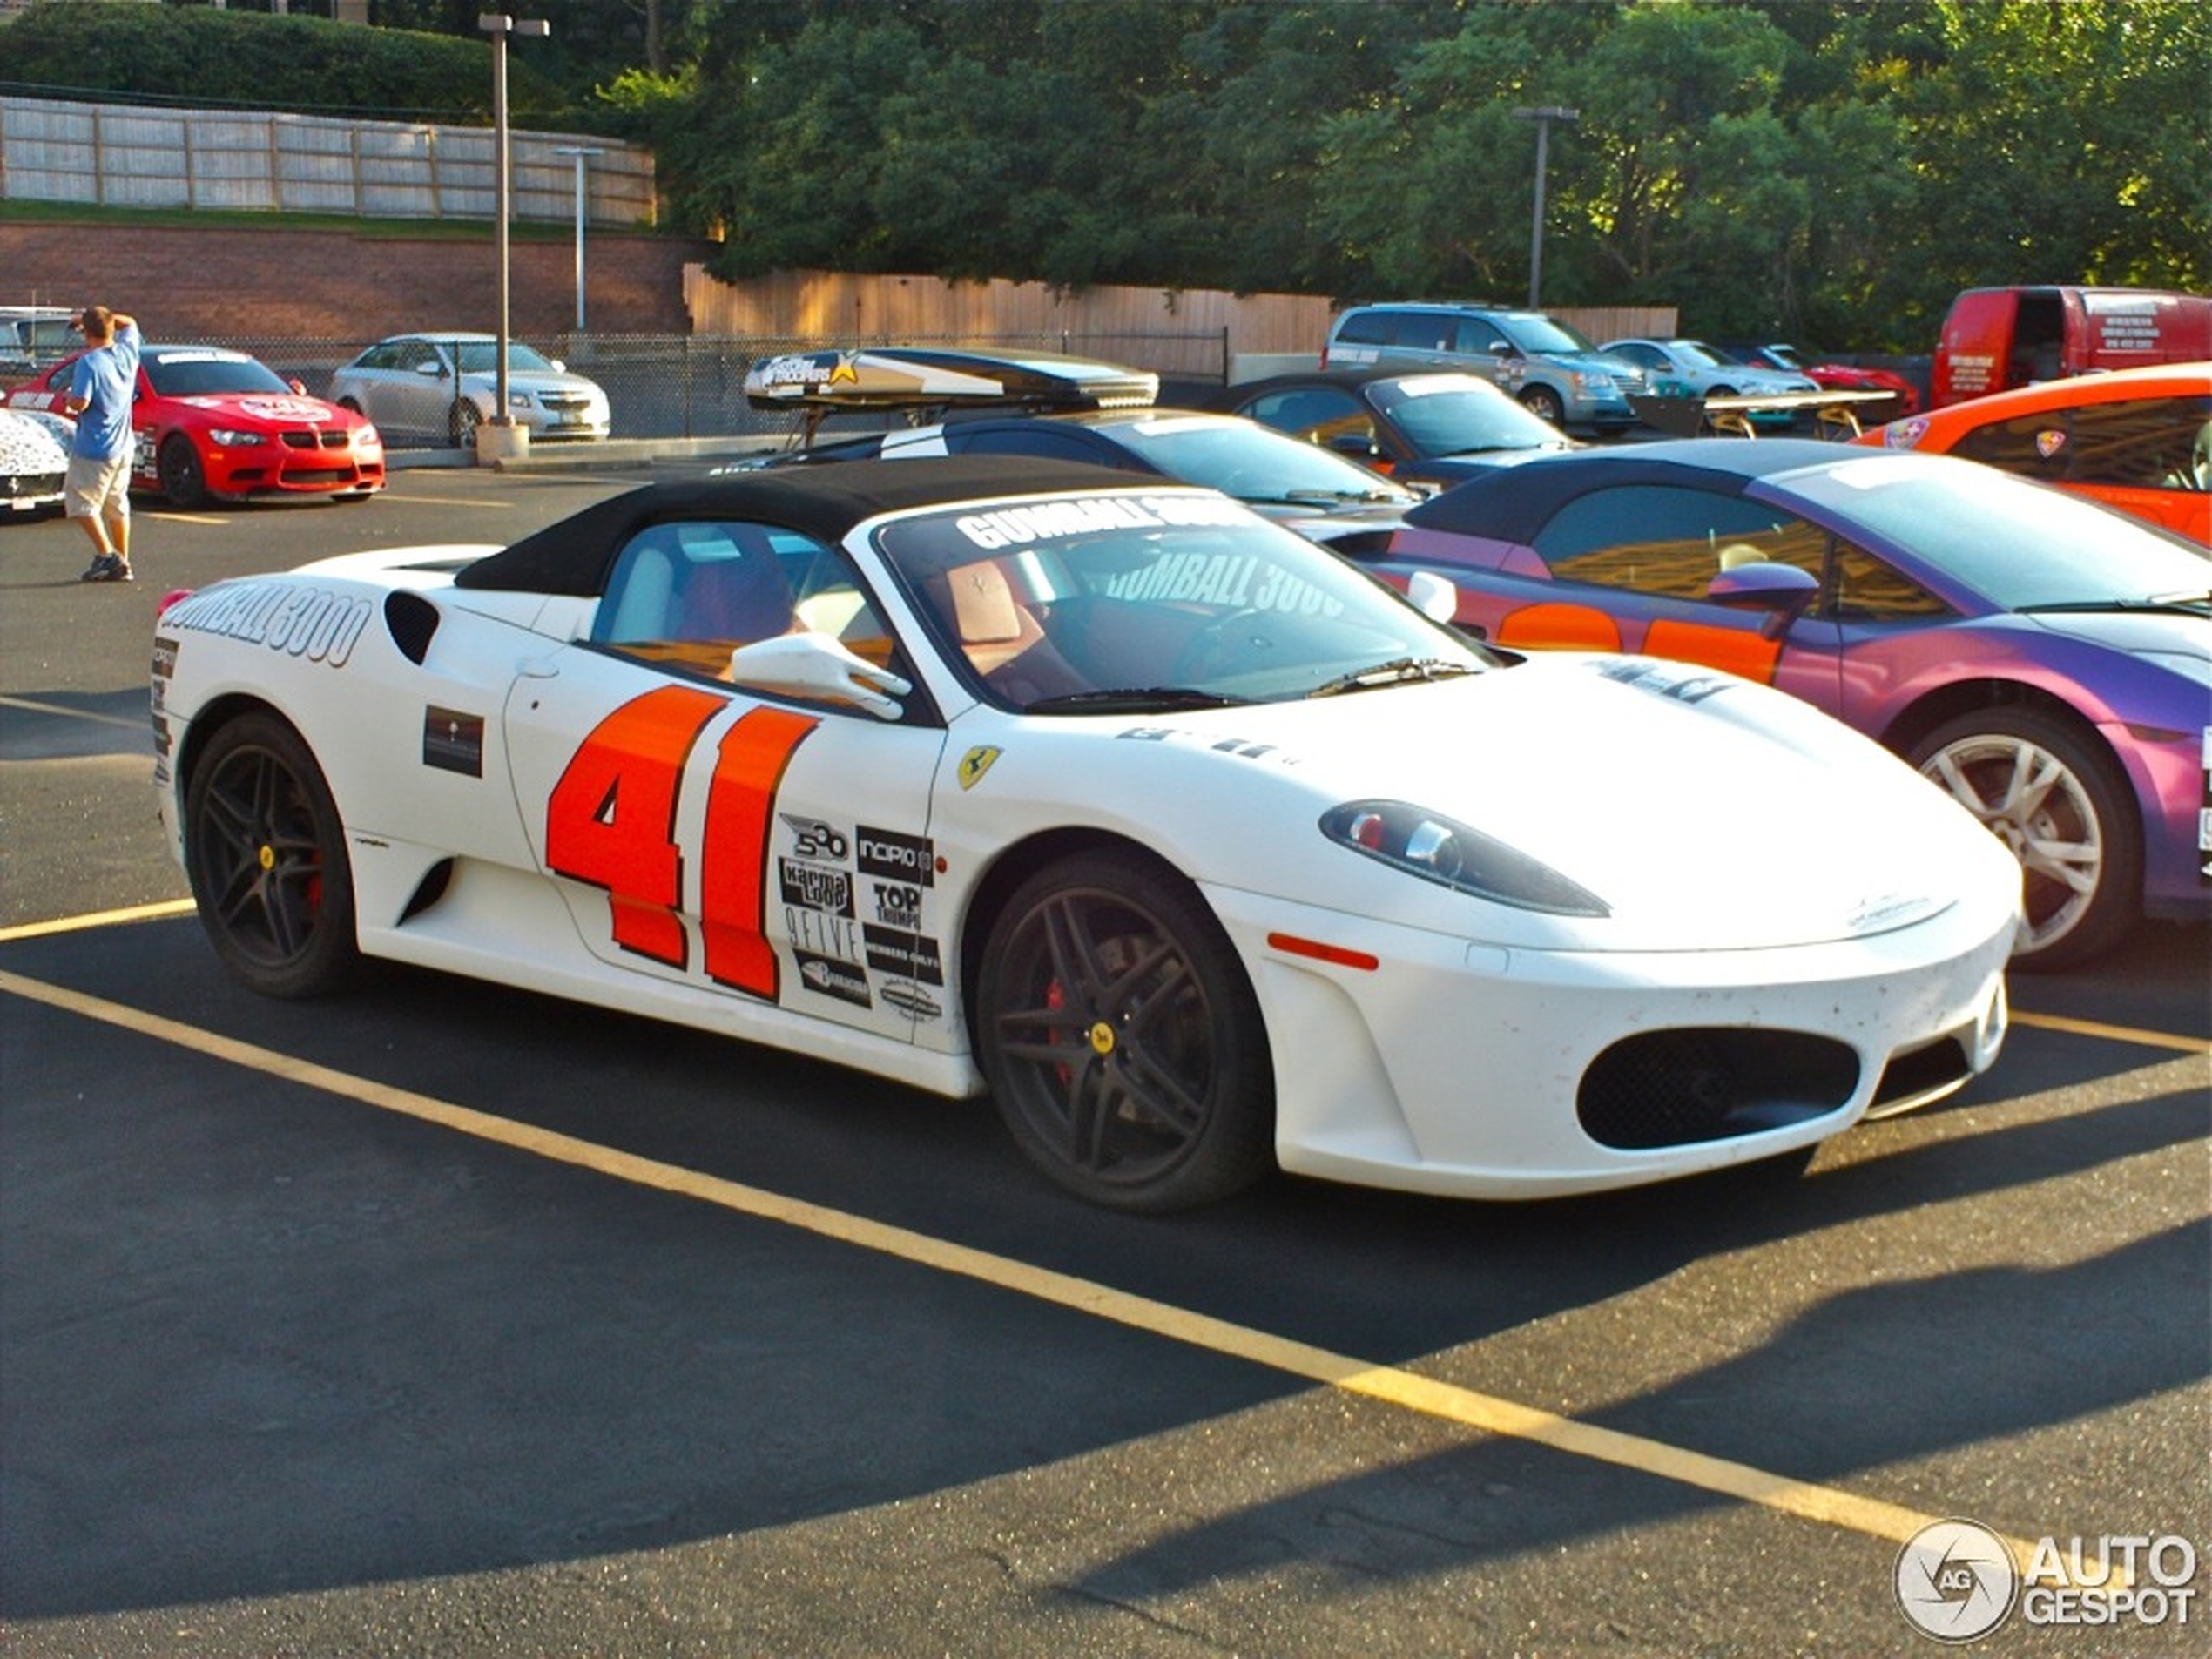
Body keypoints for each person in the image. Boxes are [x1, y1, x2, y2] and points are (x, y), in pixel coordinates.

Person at [64, 305, 140, 583]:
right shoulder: (127, 352)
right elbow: (129, 320)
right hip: (123, 444)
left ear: (87, 333)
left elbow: (81, 402)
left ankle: (107, 555)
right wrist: (99, 318)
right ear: (110, 328)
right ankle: (123, 560)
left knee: (80, 502)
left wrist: (67, 399)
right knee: (117, 504)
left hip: (95, 446)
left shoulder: (89, 362)